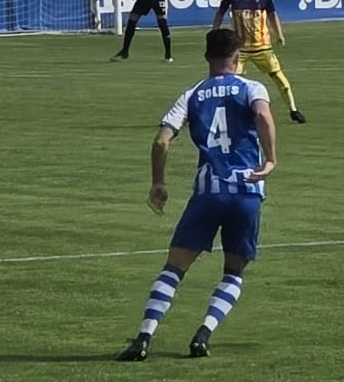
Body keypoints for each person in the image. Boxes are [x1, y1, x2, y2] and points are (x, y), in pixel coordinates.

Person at [116, 27, 278, 362]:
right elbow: (262, 115)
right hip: (247, 191)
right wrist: (271, 159)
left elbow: (161, 140)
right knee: (234, 271)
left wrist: (158, 183)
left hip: (208, 193)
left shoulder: (191, 94)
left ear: (207, 56)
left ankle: (144, 337)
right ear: (238, 56)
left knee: (174, 268)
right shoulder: (252, 87)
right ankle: (203, 335)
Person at [214, 0, 306, 123]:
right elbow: (220, 12)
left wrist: (279, 34)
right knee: (230, 83)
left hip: (262, 47)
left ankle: (293, 109)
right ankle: (226, 113)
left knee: (279, 78)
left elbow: (272, 15)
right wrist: (215, 31)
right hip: (240, 49)